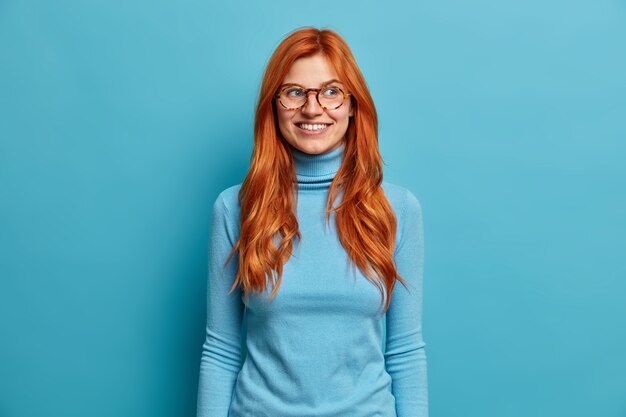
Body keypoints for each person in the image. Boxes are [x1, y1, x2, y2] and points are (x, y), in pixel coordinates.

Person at [197, 27, 428, 417]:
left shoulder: (397, 209)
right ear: (274, 105)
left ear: (354, 105)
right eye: (294, 92)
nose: (312, 108)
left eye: (331, 91)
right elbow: (221, 349)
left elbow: (406, 350)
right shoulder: (235, 208)